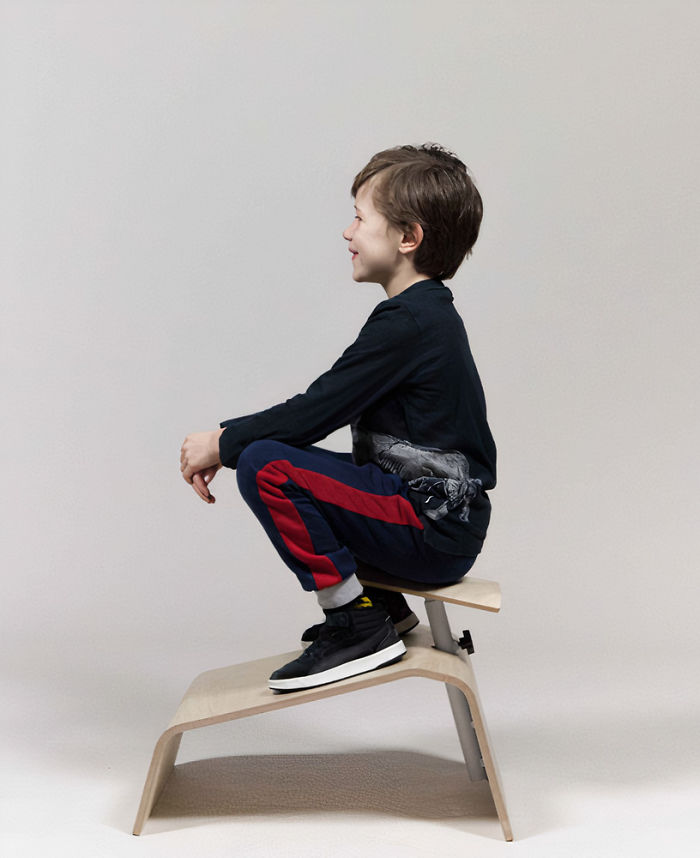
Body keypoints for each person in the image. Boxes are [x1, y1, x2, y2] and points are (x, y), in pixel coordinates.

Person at [180, 143, 496, 693]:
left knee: (267, 465)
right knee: (280, 457)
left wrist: (223, 443)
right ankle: (386, 611)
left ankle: (356, 621)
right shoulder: (422, 316)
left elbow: (316, 410)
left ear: (408, 237)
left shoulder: (410, 323)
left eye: (360, 218)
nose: (347, 232)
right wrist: (228, 439)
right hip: (437, 522)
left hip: (433, 528)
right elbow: (322, 408)